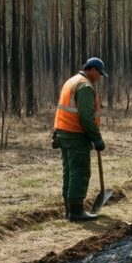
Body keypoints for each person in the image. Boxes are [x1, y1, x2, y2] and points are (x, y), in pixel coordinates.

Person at [54, 57, 107, 221]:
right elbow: (86, 117)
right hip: (76, 135)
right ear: (92, 70)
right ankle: (76, 212)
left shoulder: (72, 81)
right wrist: (97, 139)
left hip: (64, 134)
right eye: (99, 74)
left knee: (69, 172)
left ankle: (69, 211)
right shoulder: (84, 86)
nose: (99, 78)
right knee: (79, 172)